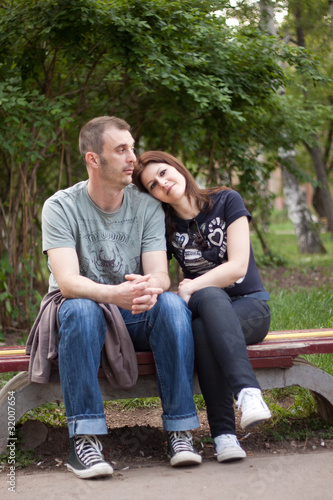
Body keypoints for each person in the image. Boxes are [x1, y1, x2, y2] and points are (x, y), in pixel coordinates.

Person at [39, 117, 202, 479]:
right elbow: (66, 283)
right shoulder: (60, 207)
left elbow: (160, 274)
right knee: (80, 309)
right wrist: (116, 294)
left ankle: (180, 430)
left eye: (132, 147)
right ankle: (85, 440)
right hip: (84, 312)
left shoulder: (145, 207)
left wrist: (148, 289)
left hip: (133, 310)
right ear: (93, 160)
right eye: (121, 150)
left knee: (173, 304)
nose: (133, 158)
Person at [133, 150, 272, 463]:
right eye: (153, 185)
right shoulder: (166, 226)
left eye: (164, 173)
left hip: (250, 308)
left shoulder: (226, 200)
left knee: (206, 304)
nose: (163, 184)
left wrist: (192, 285)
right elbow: (157, 272)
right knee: (203, 318)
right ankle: (227, 434)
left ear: (177, 167)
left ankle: (236, 413)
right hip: (209, 314)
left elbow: (237, 266)